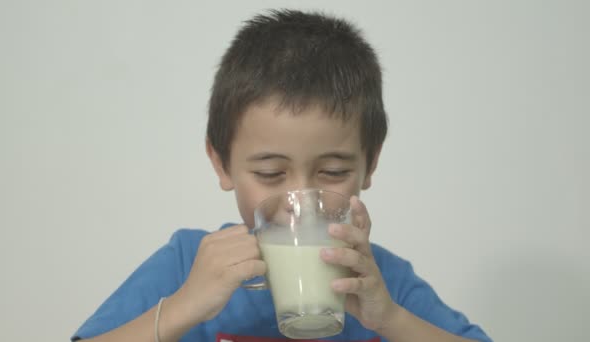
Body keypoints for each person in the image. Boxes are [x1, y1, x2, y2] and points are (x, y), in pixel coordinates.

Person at [72, 9, 491, 342]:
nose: (301, 202)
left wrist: (392, 319)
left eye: (332, 171)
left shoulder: (382, 280)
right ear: (221, 163)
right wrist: (184, 306)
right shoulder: (187, 264)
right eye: (271, 173)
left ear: (371, 163)